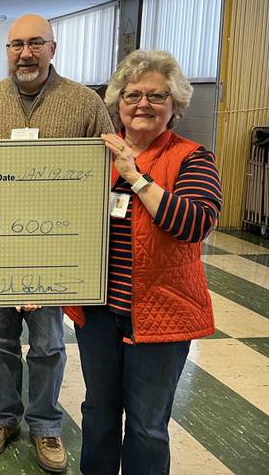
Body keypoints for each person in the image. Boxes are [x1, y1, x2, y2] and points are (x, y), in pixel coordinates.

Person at [0, 13, 114, 473]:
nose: (26, 53)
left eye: (36, 43)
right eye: (16, 44)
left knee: (47, 346)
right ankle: (3, 418)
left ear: (53, 48)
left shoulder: (85, 104)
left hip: (55, 252)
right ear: (7, 51)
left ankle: (46, 425)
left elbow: (105, 179)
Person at [65, 50, 222, 475]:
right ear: (118, 102)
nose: (143, 104)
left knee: (147, 426)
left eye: (157, 96)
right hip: (97, 313)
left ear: (175, 105)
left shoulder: (192, 157)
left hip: (162, 314)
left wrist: (135, 176)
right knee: (97, 412)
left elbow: (194, 222)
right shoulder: (92, 157)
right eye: (133, 94)